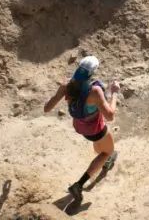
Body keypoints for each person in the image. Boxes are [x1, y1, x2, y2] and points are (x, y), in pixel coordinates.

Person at [43, 55, 121, 205]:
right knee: (107, 152)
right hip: (96, 130)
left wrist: (58, 93)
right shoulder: (95, 91)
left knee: (101, 147)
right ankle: (79, 185)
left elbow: (47, 108)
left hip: (80, 127)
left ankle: (103, 160)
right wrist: (114, 92)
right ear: (92, 73)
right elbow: (110, 116)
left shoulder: (67, 85)